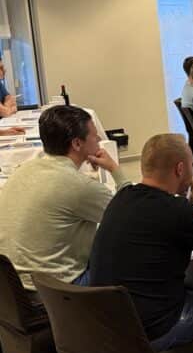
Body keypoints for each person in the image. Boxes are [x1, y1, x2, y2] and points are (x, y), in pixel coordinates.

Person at [89, 134, 193, 350]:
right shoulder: (178, 210)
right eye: (192, 165)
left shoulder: (121, 198)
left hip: (109, 327)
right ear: (180, 169)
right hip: (152, 331)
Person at [0, 105, 128, 291]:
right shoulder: (80, 187)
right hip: (55, 293)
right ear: (77, 144)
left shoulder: (23, 170)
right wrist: (115, 169)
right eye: (94, 136)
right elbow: (131, 219)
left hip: (11, 288)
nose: (99, 139)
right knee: (131, 253)